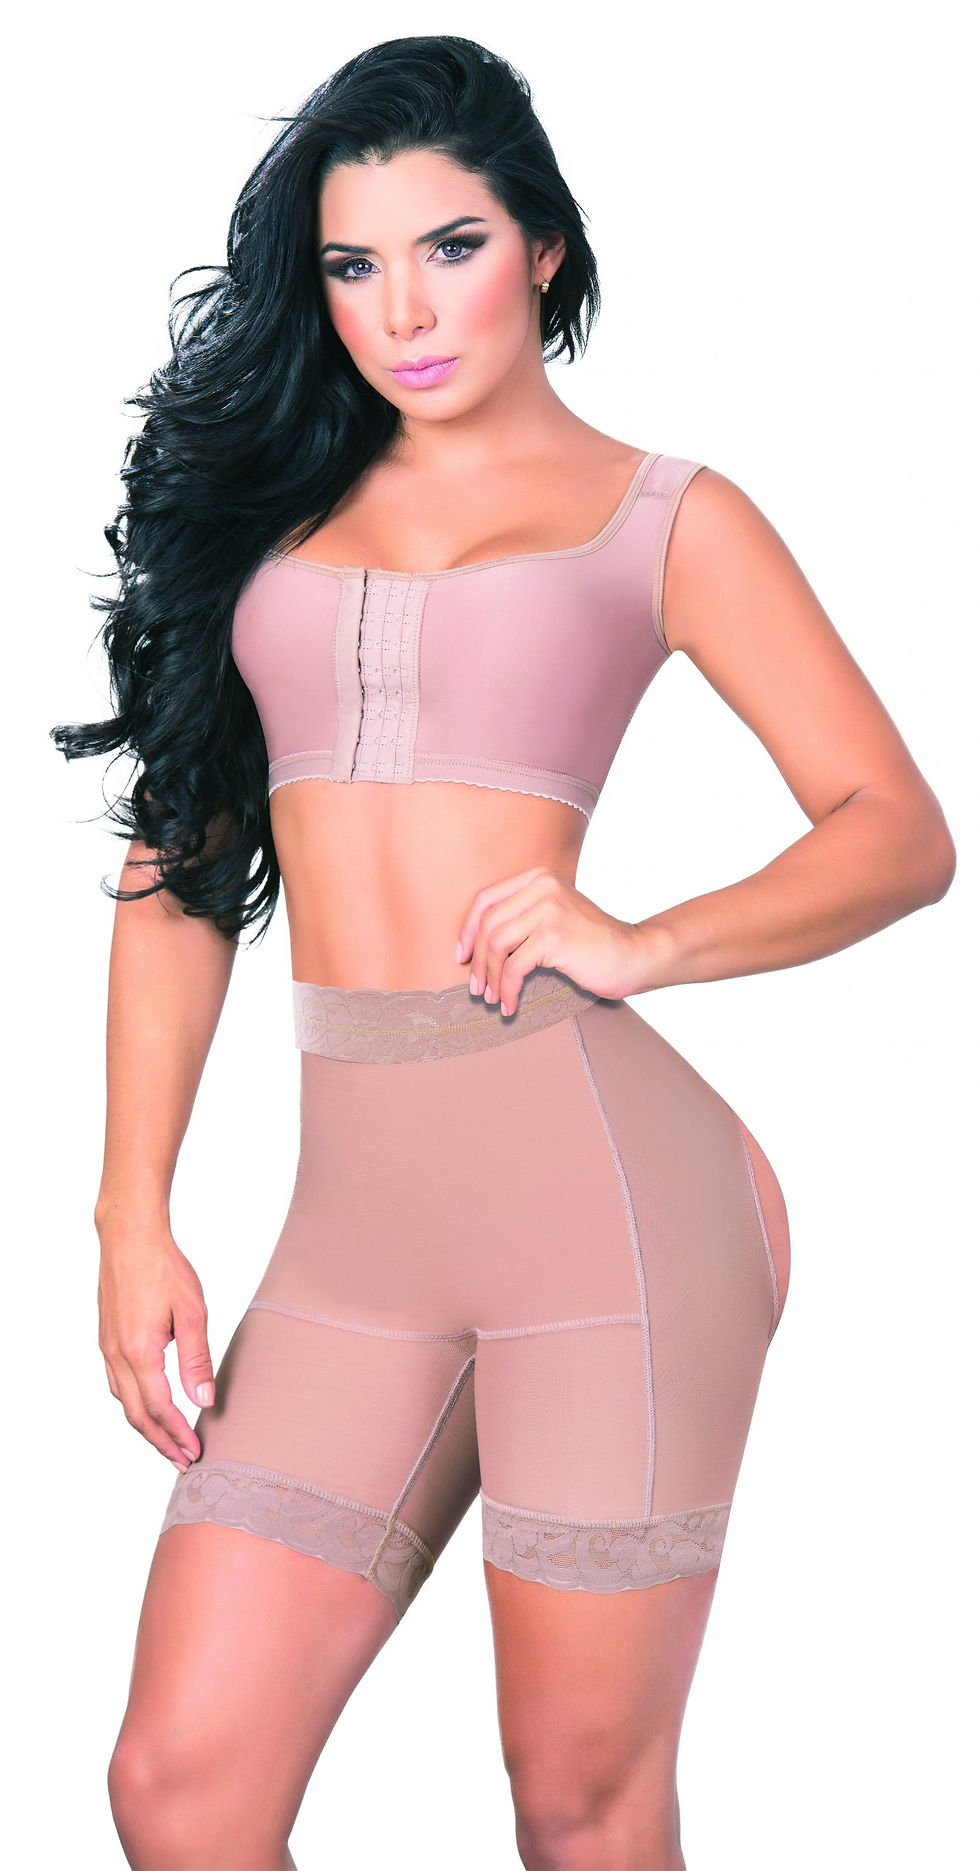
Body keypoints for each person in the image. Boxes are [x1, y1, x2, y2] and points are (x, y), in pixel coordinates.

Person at [51, 33, 955, 1871]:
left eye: (449, 247)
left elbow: (898, 829)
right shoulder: (267, 517)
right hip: (354, 1241)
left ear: (543, 243)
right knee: (181, 1790)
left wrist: (648, 939)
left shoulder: (664, 517)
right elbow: (184, 862)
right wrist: (131, 1215)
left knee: (579, 1808)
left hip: (605, 1215)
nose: (401, 310)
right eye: (352, 264)